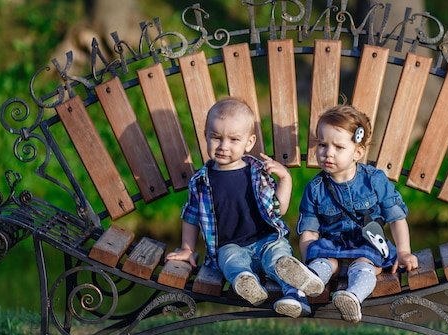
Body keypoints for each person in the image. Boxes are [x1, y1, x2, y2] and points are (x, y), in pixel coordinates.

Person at [165, 96, 318, 318]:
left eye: (234, 140)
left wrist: (286, 179)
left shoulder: (257, 173)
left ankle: (293, 295)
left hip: (266, 240)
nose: (223, 146)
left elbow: (278, 210)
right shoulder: (200, 180)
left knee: (279, 258)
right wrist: (187, 248)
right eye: (216, 138)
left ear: (249, 142)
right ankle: (247, 283)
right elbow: (190, 216)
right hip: (230, 245)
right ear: (205, 136)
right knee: (230, 261)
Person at [275, 105, 418, 323]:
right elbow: (309, 233)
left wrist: (404, 251)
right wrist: (309, 259)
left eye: (338, 147)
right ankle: (303, 291)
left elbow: (396, 217)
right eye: (322, 145)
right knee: (322, 262)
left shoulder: (375, 180)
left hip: (367, 244)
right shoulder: (315, 188)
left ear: (357, 153)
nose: (327, 153)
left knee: (364, 263)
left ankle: (351, 297)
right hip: (332, 246)